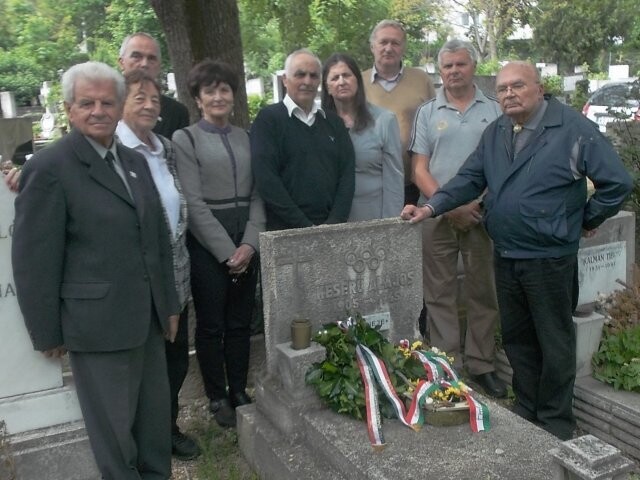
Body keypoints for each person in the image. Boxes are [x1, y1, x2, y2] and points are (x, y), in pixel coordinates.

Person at [401, 61, 633, 440]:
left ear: (539, 88)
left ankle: (556, 420)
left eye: (518, 86)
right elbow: (469, 179)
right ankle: (528, 408)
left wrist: (583, 219)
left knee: (553, 340)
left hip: (548, 259)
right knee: (517, 337)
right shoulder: (497, 132)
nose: (509, 93)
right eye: (504, 88)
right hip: (507, 253)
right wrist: (429, 208)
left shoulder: (571, 128)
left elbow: (617, 182)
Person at [12, 61, 180, 478]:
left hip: (148, 322)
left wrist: (170, 305)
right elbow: (34, 258)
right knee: (115, 439)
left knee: (154, 428)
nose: (98, 111)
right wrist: (47, 331)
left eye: (107, 101)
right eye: (87, 103)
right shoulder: (49, 168)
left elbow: (157, 238)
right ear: (69, 109)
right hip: (98, 327)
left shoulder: (133, 160)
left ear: (120, 105)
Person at [408, 39, 505, 398]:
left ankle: (482, 364)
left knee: (483, 290)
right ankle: (447, 366)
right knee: (439, 293)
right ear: (440, 71)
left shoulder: (494, 110)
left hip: (482, 215)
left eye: (460, 64)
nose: (453, 71)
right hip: (436, 214)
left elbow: (505, 165)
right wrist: (449, 205)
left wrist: (476, 206)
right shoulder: (428, 112)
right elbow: (418, 168)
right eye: (447, 66)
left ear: (473, 67)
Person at [173, 60, 266, 428]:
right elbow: (193, 204)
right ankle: (216, 396)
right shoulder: (187, 138)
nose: (218, 96)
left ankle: (239, 389)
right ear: (197, 99)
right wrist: (228, 252)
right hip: (208, 242)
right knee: (212, 324)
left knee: (241, 321)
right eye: (209, 90)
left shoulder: (247, 136)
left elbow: (259, 194)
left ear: (233, 95)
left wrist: (249, 244)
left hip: (246, 235)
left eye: (224, 89)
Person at [119, 31, 197, 459]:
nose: (149, 104)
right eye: (138, 99)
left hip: (175, 276)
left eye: (154, 99)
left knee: (174, 362)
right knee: (138, 365)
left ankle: (165, 428)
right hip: (134, 282)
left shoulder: (165, 148)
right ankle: (134, 439)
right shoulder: (106, 147)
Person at [250, 48, 355, 230]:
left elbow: (347, 176)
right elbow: (266, 179)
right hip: (284, 230)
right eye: (300, 75)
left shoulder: (334, 123)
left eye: (313, 76)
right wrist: (304, 226)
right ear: (285, 80)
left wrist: (334, 223)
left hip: (332, 231)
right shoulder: (268, 120)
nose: (307, 81)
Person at [321, 53, 403, 221]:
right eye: (334, 78)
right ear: (327, 87)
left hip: (373, 215)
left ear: (357, 80)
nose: (342, 81)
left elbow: (394, 179)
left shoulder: (384, 120)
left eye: (347, 75)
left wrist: (390, 224)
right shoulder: (318, 124)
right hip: (330, 218)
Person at [363, 19, 435, 206]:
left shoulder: (421, 80)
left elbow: (434, 123)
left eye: (395, 43)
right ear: (372, 46)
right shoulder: (358, 82)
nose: (389, 48)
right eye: (383, 42)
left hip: (413, 180)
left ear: (403, 48)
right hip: (371, 181)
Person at [119, 32, 190, 139]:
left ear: (159, 66)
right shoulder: (103, 105)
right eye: (137, 56)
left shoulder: (176, 113)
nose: (144, 64)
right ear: (121, 62)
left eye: (151, 58)